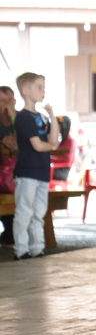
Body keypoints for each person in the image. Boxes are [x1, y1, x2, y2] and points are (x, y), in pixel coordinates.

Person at [12, 72, 59, 259]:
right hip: (27, 172)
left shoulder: (41, 117)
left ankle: (36, 247)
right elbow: (38, 145)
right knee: (24, 211)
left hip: (42, 171)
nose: (43, 90)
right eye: (39, 87)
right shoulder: (23, 117)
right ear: (26, 90)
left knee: (39, 212)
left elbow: (53, 140)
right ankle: (21, 249)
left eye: (43, 87)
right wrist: (49, 146)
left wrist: (52, 115)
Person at [0, 85, 18, 245]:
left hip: (19, 171)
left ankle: (12, 230)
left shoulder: (21, 119)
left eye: (9, 100)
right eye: (2, 100)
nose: (6, 104)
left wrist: (14, 120)